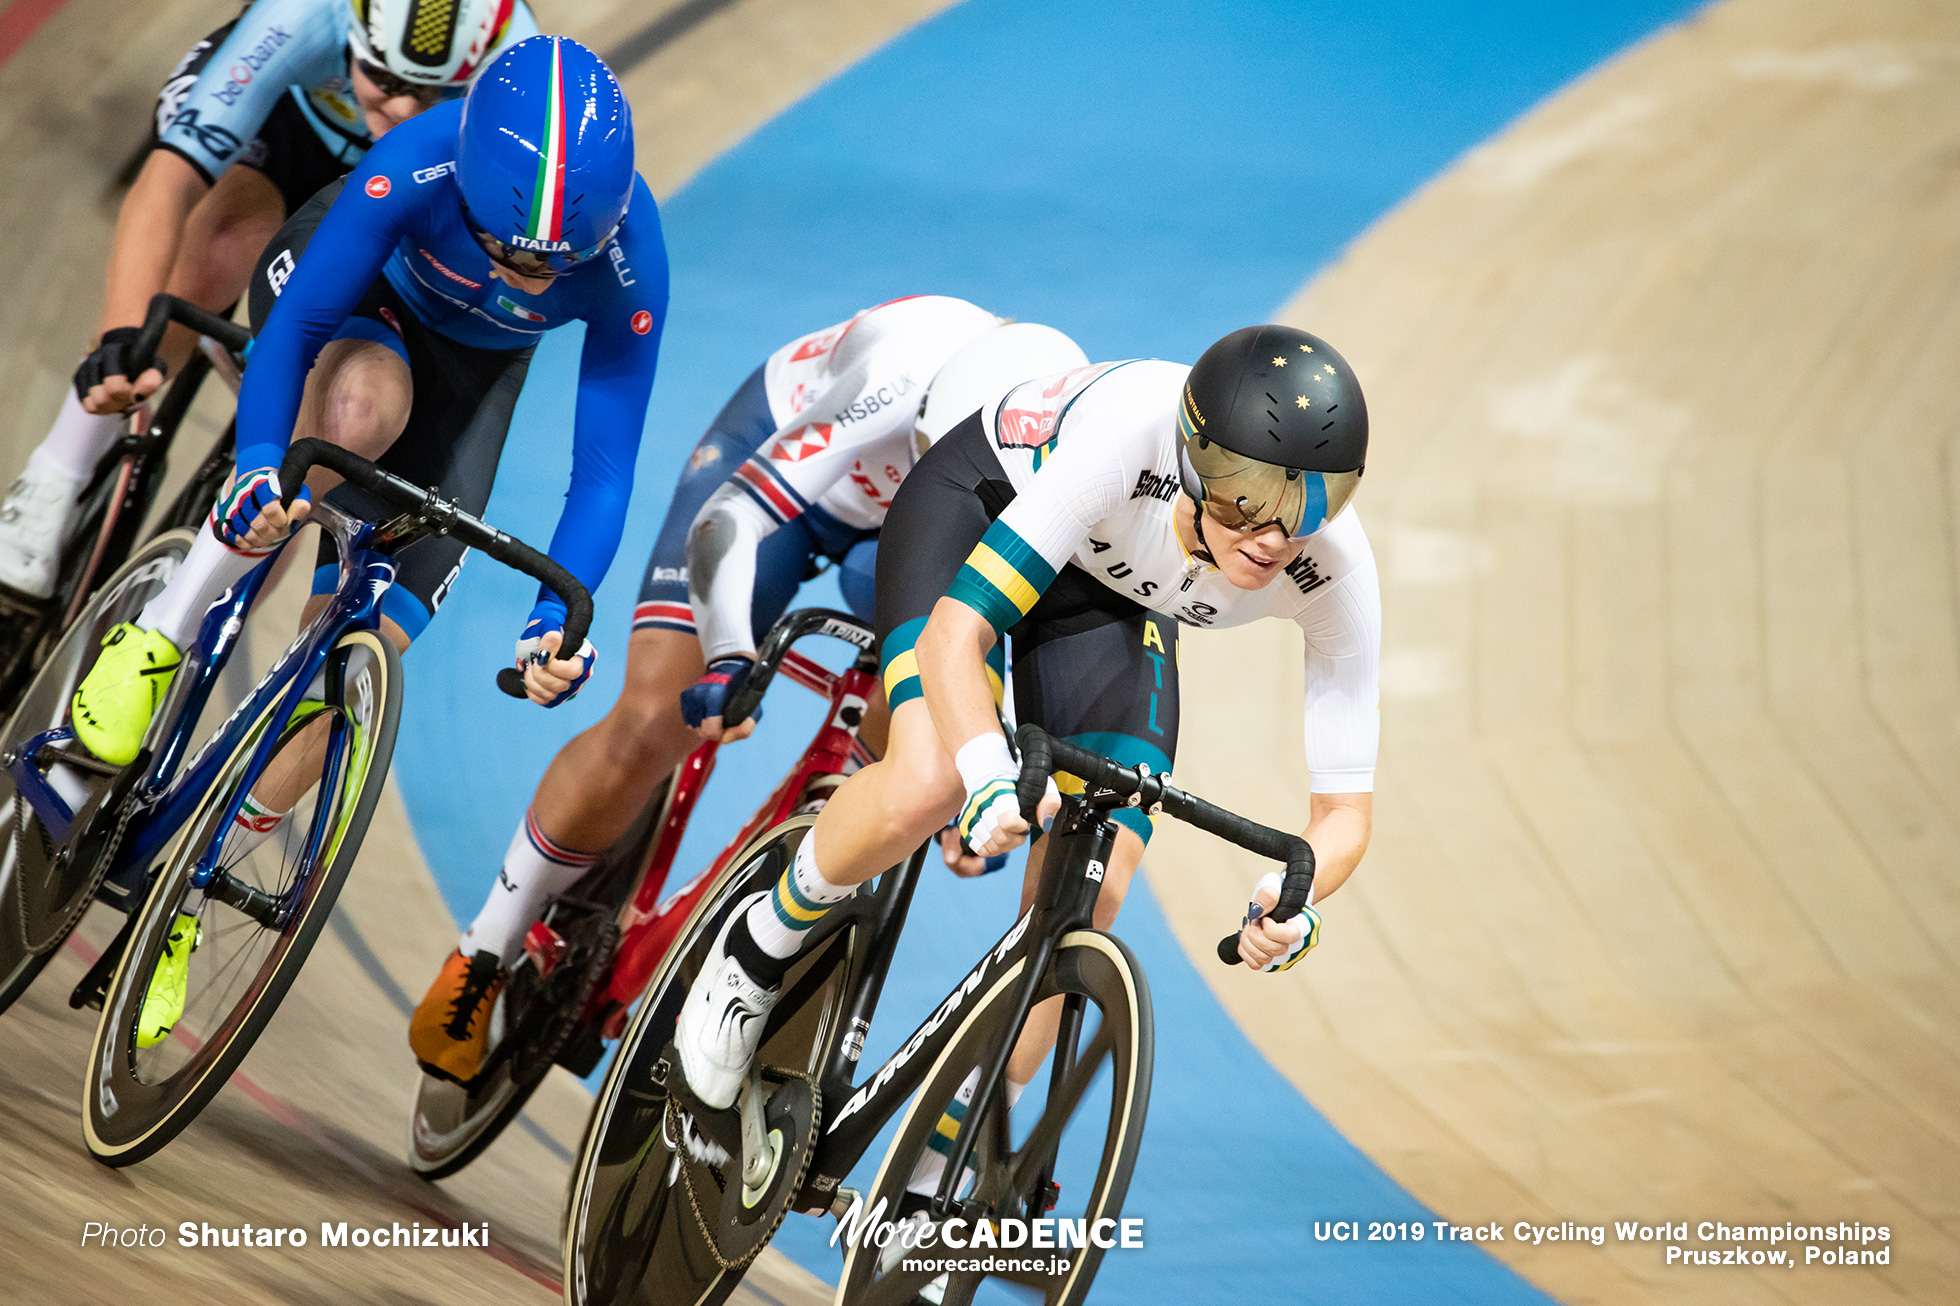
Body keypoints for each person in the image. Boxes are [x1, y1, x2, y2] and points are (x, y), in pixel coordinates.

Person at [68, 35, 669, 1050]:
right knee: (350, 417)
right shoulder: (421, 161)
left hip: (474, 381)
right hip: (358, 302)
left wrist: (549, 620)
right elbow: (297, 325)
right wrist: (260, 461)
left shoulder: (625, 255)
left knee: (370, 644)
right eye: (506, 246)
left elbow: (604, 468)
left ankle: (189, 882)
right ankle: (162, 627)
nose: (526, 269)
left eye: (547, 265)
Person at [672, 324, 1381, 1134]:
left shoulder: (1336, 569)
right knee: (930, 777)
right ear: (1191, 457)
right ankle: (755, 946)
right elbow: (955, 638)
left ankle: (960, 1151)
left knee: (1095, 873)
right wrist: (982, 774)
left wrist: (1290, 896)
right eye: (1247, 498)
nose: (1274, 538)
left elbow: (1345, 816)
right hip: (983, 503)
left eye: (1314, 504)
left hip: (1111, 585)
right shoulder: (1124, 439)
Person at [408, 296, 1088, 1085]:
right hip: (785, 482)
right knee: (654, 719)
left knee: (914, 723)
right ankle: (484, 952)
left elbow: (999, 629)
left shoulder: (1066, 450)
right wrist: (730, 656)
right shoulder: (897, 376)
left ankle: (811, 846)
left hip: (910, 538)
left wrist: (980, 778)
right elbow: (732, 518)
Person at [0, 0, 539, 599]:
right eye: (385, 79)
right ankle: (57, 472)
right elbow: (169, 181)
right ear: (353, 37)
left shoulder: (517, 71)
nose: (405, 107)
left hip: (405, 189)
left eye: (436, 92)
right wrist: (124, 335)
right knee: (224, 245)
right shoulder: (301, 17)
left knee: (318, 433)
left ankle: (209, 609)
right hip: (288, 129)